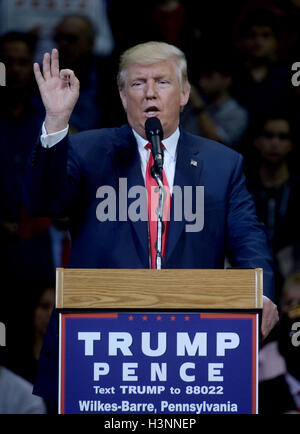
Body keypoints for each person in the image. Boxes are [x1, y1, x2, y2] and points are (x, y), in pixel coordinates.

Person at [23, 41, 279, 406]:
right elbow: (41, 203)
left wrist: (263, 292)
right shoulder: (88, 151)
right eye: (138, 84)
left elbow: (250, 239)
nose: (149, 93)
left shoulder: (223, 164)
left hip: (193, 348)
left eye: (162, 82)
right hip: (101, 351)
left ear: (185, 93)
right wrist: (56, 122)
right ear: (123, 96)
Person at [245, 115, 300, 303]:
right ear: (257, 141)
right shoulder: (242, 188)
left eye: (282, 137)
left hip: (292, 275)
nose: (275, 143)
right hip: (249, 274)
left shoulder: (296, 188)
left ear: (291, 144)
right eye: (268, 136)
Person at [181, 53, 249, 149]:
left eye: (209, 77)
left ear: (227, 79)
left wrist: (199, 107)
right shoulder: (190, 107)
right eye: (201, 77)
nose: (202, 82)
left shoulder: (237, 113)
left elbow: (216, 141)